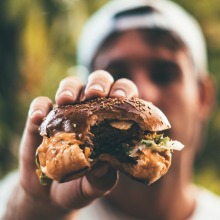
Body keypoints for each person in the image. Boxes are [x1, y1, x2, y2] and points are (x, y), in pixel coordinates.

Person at [1, 0, 220, 219]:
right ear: (85, 98)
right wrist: (33, 211)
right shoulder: (13, 202)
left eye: (164, 75)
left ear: (203, 97)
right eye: (118, 75)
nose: (143, 94)